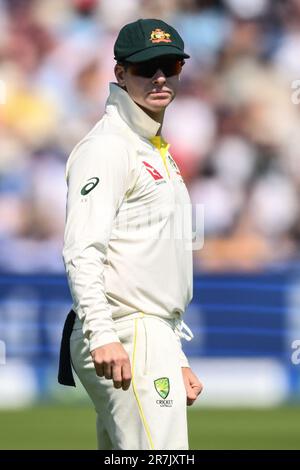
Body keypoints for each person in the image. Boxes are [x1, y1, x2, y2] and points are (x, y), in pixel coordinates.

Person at [58, 18, 203, 450]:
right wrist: (102, 334)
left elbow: (153, 268)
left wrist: (172, 355)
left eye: (170, 64)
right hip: (125, 333)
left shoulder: (152, 148)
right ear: (120, 73)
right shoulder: (108, 147)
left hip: (147, 336)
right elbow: (82, 249)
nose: (160, 77)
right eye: (145, 67)